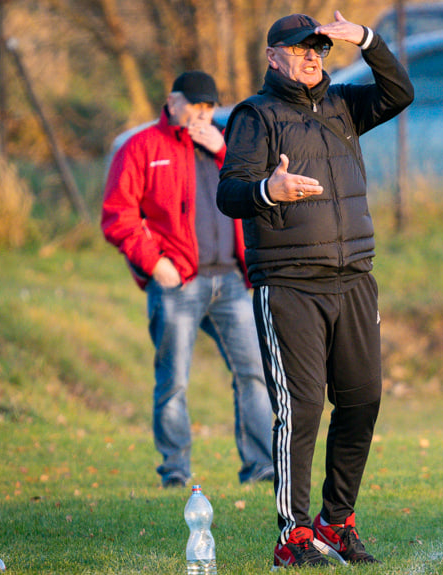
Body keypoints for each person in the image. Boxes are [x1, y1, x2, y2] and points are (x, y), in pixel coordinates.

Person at [216, 11, 414, 568]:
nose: (311, 58)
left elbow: (400, 92)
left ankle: (337, 522)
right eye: (300, 49)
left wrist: (369, 41)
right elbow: (229, 194)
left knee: (362, 400)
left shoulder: (344, 106)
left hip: (353, 278)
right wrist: (269, 188)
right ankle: (293, 535)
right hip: (289, 285)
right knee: (300, 408)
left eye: (319, 50)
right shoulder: (256, 115)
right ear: (274, 56)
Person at [101, 71, 275, 488]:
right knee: (174, 381)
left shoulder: (226, 143)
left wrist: (224, 151)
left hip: (233, 280)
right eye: (194, 105)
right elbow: (117, 216)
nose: (202, 113)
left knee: (253, 373)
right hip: (177, 283)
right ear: (172, 101)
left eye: (209, 106)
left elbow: (265, 189)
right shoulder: (142, 146)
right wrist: (155, 264)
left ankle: (261, 466)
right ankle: (175, 473)